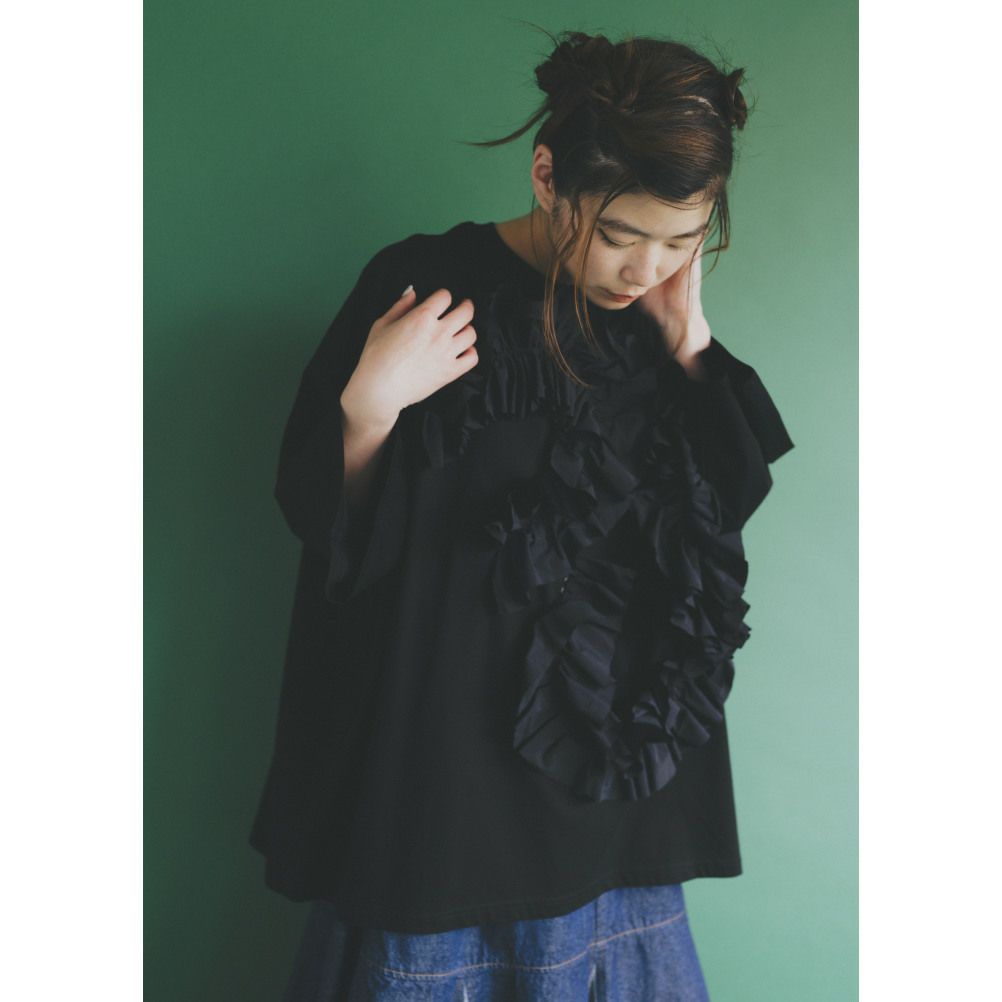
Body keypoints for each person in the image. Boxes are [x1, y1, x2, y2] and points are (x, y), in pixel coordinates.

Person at [250, 27, 795, 1001]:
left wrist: (690, 344)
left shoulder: (655, 323)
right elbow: (327, 526)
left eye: (681, 241)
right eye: (621, 235)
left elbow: (717, 525)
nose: (645, 268)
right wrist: (369, 408)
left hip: (615, 794)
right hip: (451, 785)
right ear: (548, 176)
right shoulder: (427, 284)